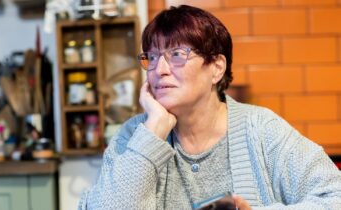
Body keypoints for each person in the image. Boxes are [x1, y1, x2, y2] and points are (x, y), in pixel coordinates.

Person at [78, 5, 341, 210]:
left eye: (177, 55)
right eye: (153, 56)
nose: (160, 69)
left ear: (216, 68)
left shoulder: (260, 129)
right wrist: (152, 132)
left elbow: (335, 196)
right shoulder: (134, 136)